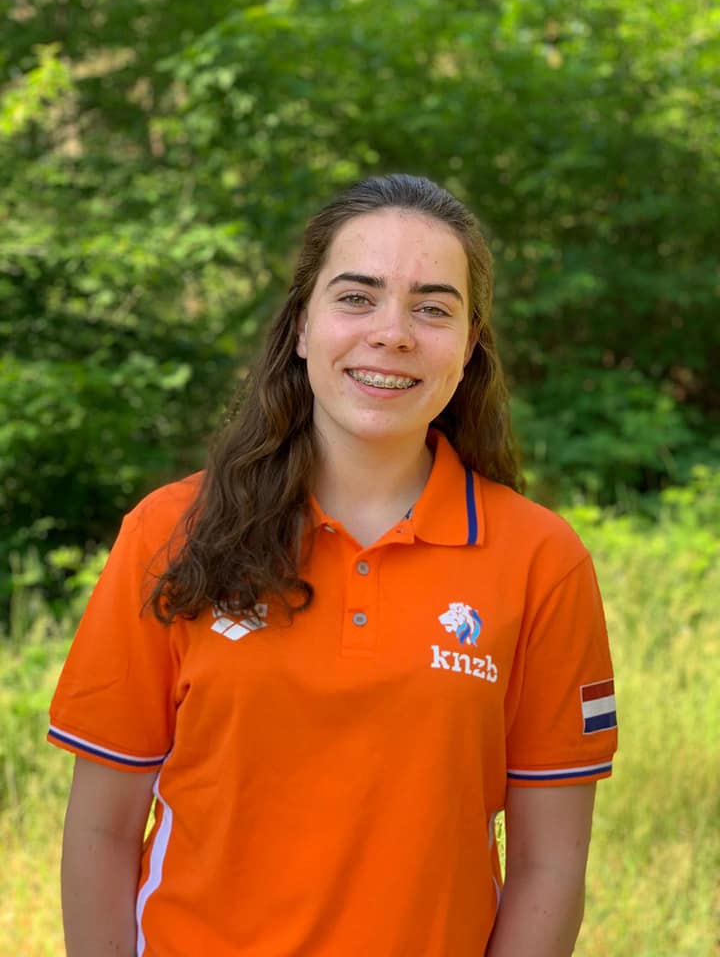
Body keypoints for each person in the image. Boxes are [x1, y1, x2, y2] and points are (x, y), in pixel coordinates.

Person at [48, 173, 618, 957]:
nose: (392, 333)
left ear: (468, 349)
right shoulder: (170, 533)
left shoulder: (541, 561)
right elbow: (102, 831)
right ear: (302, 327)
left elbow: (548, 866)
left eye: (432, 308)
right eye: (357, 297)